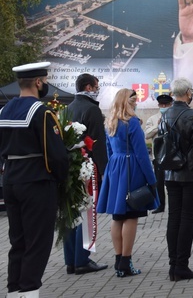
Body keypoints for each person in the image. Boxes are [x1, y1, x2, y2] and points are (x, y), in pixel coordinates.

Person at [0, 62, 69, 298]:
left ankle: (14, 292)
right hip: (36, 182)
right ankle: (29, 293)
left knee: (18, 241)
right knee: (37, 242)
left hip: (10, 179)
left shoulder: (4, 111)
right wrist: (62, 180)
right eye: (45, 80)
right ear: (39, 82)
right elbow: (56, 154)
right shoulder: (42, 112)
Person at [97, 88, 159, 277]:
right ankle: (126, 260)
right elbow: (142, 154)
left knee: (117, 216)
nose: (136, 102)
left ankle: (118, 260)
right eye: (134, 99)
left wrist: (111, 171)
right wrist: (151, 179)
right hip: (132, 169)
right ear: (129, 101)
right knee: (131, 214)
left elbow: (108, 150)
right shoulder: (132, 123)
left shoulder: (110, 122)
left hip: (115, 168)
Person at [160, 78, 193, 281]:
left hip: (170, 172)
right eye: (191, 90)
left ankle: (173, 265)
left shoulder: (165, 115)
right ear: (186, 93)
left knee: (174, 218)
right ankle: (181, 266)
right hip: (190, 174)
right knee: (187, 219)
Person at [63, 73, 109, 275]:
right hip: (88, 166)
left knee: (71, 213)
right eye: (96, 86)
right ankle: (82, 259)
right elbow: (98, 144)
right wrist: (104, 171)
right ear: (89, 87)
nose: (98, 89)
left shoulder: (69, 107)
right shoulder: (92, 109)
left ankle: (71, 260)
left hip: (70, 166)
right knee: (85, 212)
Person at [144, 94, 173, 214]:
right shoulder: (152, 118)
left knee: (172, 183)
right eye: (162, 105)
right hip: (159, 156)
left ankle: (174, 205)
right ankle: (161, 205)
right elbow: (147, 134)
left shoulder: (174, 116)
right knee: (159, 182)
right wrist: (158, 125)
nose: (164, 106)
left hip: (172, 155)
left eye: (166, 104)